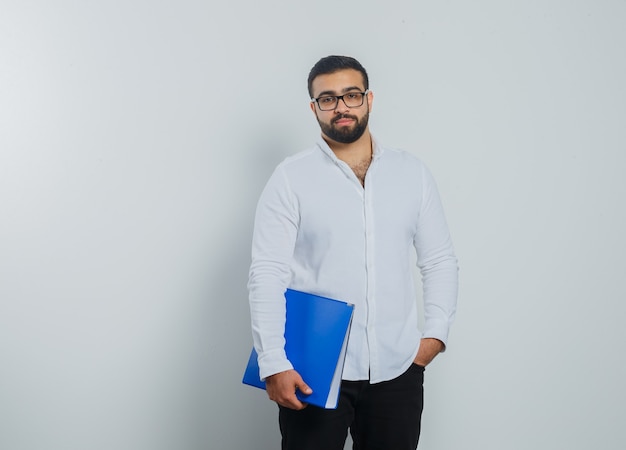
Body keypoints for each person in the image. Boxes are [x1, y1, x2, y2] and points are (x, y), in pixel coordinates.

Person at [248, 55, 458, 450]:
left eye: (351, 95)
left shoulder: (411, 173)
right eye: (327, 99)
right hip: (313, 369)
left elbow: (439, 259)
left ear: (369, 100)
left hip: (398, 369)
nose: (341, 106)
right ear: (314, 109)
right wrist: (273, 361)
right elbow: (267, 273)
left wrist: (435, 336)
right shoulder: (290, 178)